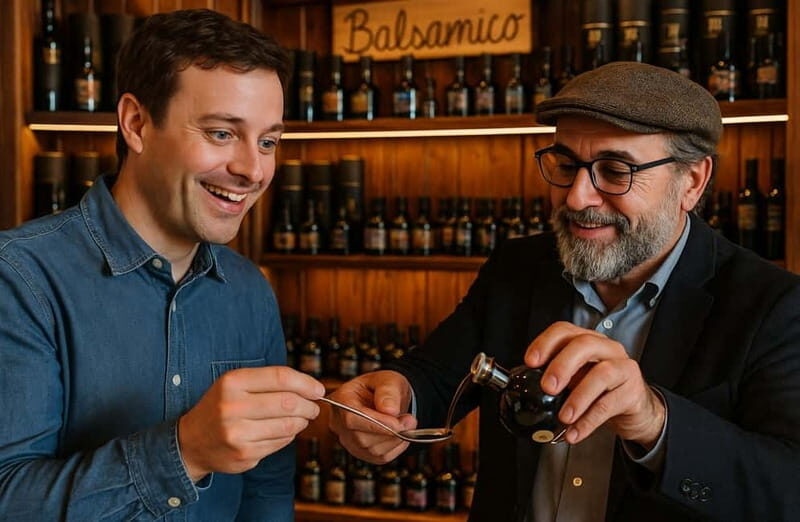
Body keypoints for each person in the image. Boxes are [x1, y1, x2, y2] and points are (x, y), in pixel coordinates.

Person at [329, 62, 800, 521]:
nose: (576, 197)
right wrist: (394, 396)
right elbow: (435, 375)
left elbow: (786, 490)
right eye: (566, 164)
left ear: (692, 182)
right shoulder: (518, 267)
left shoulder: (773, 305)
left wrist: (652, 421)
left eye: (616, 171)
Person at [0, 9, 323, 521]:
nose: (253, 170)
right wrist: (186, 451)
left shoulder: (249, 291)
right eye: (221, 133)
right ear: (137, 123)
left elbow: (266, 490)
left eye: (267, 142)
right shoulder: (19, 277)